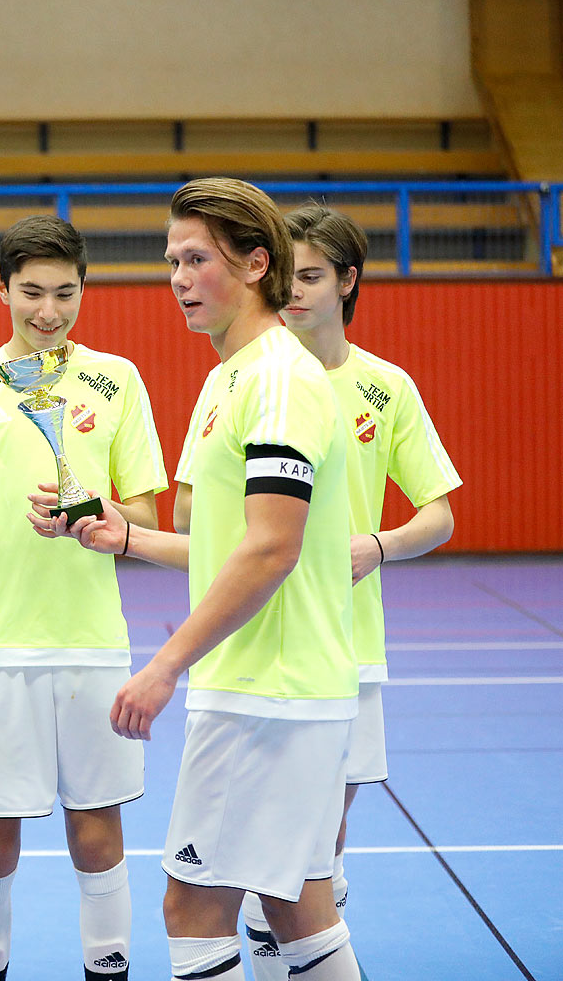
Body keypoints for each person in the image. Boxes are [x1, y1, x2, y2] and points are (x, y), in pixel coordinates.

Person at [33, 177, 363, 981]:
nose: (177, 278)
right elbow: (226, 543)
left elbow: (271, 550)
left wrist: (165, 664)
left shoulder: (278, 379)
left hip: (267, 689)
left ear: (256, 264)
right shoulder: (229, 378)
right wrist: (128, 535)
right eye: (170, 259)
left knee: (194, 903)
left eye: (195, 259)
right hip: (276, 686)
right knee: (295, 904)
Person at [0, 216, 165, 981]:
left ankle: (107, 969)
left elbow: (147, 516)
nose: (48, 311)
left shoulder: (117, 378)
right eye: (31, 293)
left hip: (91, 640)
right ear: (1, 290)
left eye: (64, 293)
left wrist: (88, 515)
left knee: (96, 826)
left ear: (84, 289)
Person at [217, 203, 458, 978]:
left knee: (322, 838)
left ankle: (312, 954)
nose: (295, 290)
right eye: (288, 273)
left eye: (313, 274)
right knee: (263, 838)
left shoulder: (386, 388)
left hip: (347, 645)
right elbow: (200, 512)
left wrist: (377, 544)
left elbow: (439, 514)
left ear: (348, 281)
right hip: (256, 644)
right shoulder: (247, 376)